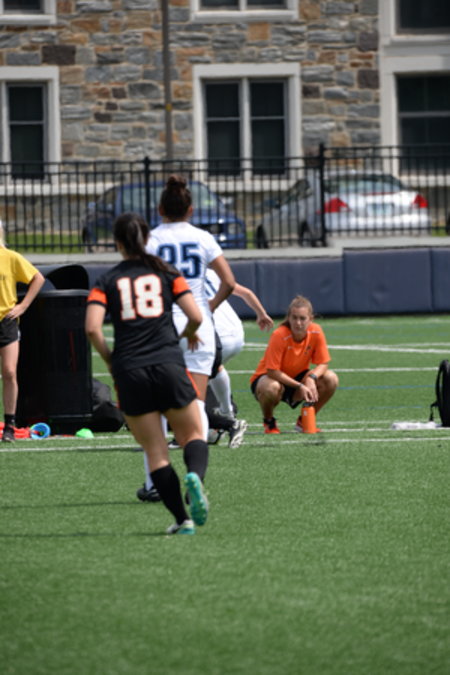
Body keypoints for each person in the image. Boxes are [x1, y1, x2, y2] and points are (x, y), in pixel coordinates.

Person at [85, 212, 209, 535]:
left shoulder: (107, 280)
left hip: (130, 371)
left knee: (156, 452)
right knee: (193, 435)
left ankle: (182, 520)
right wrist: (185, 335)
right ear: (146, 238)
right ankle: (195, 476)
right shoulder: (166, 272)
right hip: (168, 363)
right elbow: (196, 316)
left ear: (117, 243)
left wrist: (111, 360)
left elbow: (92, 328)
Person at [137, 175, 236, 502]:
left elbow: (140, 285)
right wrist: (208, 307)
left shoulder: (151, 240)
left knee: (156, 408)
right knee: (196, 405)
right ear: (190, 209)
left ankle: (153, 484)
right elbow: (229, 282)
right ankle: (196, 474)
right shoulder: (203, 238)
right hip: (198, 327)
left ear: (160, 209)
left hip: (163, 327)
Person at [250, 294, 338, 434]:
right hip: (270, 378)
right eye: (294, 318)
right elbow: (272, 371)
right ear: (288, 318)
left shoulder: (316, 331)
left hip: (297, 377)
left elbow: (323, 363)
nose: (298, 323)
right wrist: (300, 386)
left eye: (302, 318)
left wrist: (311, 378)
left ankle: (304, 421)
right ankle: (269, 421)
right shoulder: (279, 335)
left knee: (331, 378)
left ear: (310, 319)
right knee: (271, 387)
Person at [204, 267, 273, 444]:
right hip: (236, 332)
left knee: (186, 382)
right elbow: (246, 293)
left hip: (216, 334)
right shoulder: (209, 273)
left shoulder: (180, 278)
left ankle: (224, 420)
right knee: (213, 372)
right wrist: (261, 313)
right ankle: (221, 419)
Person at [0, 221, 45, 442]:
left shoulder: (10, 257)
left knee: (9, 372)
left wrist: (23, 306)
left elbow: (37, 278)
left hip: (6, 321)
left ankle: (10, 424)